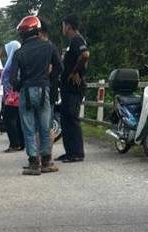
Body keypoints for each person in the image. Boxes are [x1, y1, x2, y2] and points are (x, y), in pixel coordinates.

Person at [8, 15, 61, 175]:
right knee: (45, 127)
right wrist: (49, 80)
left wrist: (20, 87)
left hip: (27, 91)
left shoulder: (19, 52)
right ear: (37, 30)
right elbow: (59, 68)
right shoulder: (49, 47)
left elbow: (12, 78)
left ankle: (33, 163)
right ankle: (46, 161)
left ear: (22, 34)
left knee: (29, 128)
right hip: (44, 89)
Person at [57, 14, 89, 163]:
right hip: (67, 88)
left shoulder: (77, 39)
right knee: (65, 119)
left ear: (68, 26)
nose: (62, 28)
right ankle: (69, 151)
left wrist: (75, 71)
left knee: (72, 118)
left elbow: (85, 55)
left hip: (74, 87)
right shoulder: (72, 42)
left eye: (63, 25)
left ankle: (77, 152)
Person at [1, 39, 24, 152]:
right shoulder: (17, 60)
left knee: (9, 119)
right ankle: (20, 142)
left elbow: (11, 79)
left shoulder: (13, 63)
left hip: (13, 95)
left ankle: (15, 143)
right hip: (14, 94)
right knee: (18, 119)